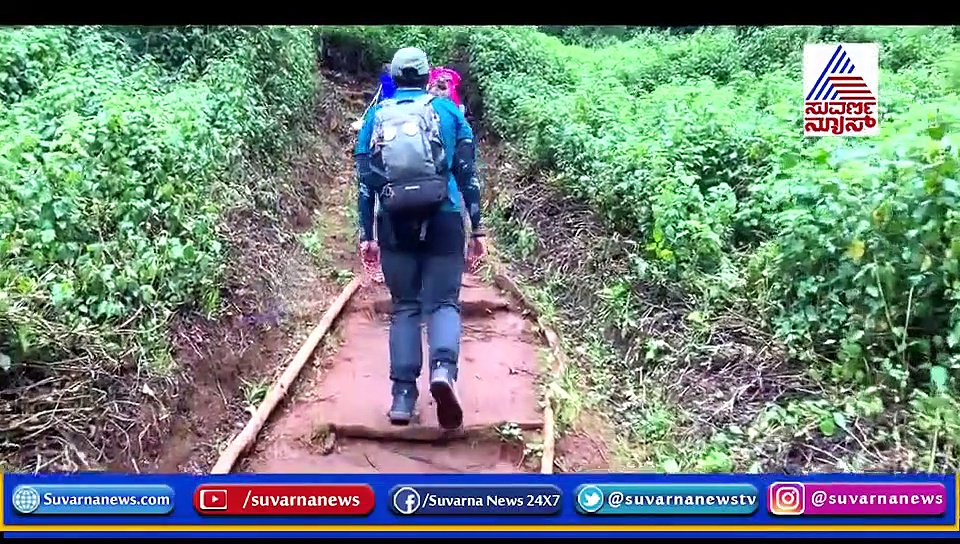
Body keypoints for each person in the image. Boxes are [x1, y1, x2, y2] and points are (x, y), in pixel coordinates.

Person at [354, 46, 486, 430]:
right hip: (444, 218)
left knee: (405, 307)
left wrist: (367, 235)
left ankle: (402, 396)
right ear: (429, 77)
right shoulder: (449, 112)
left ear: (394, 79)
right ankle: (443, 371)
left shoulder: (377, 115)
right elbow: (467, 174)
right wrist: (477, 228)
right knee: (443, 302)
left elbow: (366, 181)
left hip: (394, 222)